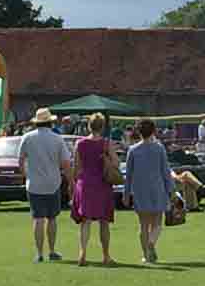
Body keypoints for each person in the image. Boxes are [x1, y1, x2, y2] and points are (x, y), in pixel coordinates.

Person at [16, 107, 71, 263]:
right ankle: (52, 251)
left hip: (34, 184)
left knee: (38, 218)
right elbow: (66, 163)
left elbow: (20, 161)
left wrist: (26, 176)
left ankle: (39, 253)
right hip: (53, 183)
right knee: (52, 218)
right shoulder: (57, 139)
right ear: (50, 122)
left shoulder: (27, 138)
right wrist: (71, 181)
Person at [123, 120, 175, 266]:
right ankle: (151, 244)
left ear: (138, 132)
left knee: (143, 225)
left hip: (140, 190)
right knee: (157, 223)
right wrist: (171, 190)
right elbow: (166, 171)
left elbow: (129, 175)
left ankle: (146, 254)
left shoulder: (132, 150)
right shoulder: (159, 149)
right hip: (158, 188)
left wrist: (126, 193)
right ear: (153, 132)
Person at [68, 114, 118, 265]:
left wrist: (74, 185)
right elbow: (116, 163)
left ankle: (82, 253)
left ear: (88, 126)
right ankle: (106, 255)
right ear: (102, 127)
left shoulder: (80, 143)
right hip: (102, 184)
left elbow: (76, 167)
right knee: (104, 222)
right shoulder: (106, 143)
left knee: (85, 221)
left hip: (84, 183)